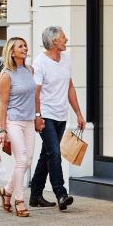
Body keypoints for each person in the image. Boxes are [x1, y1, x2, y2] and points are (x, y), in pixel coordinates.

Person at [29, 26, 86, 211]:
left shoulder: (66, 59)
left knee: (46, 154)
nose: (66, 39)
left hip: (61, 115)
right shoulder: (40, 62)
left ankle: (35, 195)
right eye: (63, 37)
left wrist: (78, 113)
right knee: (54, 153)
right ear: (54, 42)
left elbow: (70, 87)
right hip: (46, 115)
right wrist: (37, 116)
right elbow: (35, 94)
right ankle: (61, 193)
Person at [0, 37, 36, 217]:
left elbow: (34, 97)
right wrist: (2, 130)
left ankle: (7, 190)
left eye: (25, 45)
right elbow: (3, 105)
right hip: (14, 122)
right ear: (12, 52)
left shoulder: (29, 70)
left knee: (28, 160)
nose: (25, 48)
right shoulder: (6, 75)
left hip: (29, 122)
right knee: (21, 160)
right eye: (20, 46)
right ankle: (19, 200)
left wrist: (38, 116)